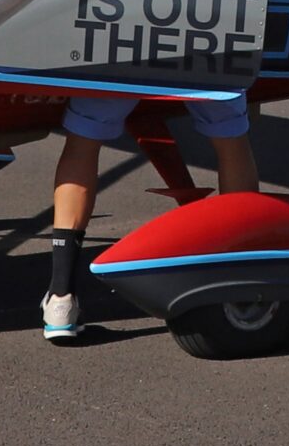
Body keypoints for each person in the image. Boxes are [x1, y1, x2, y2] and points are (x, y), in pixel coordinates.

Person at [42, 94, 256, 342]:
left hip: (123, 60)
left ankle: (61, 299)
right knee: (231, 138)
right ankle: (242, 282)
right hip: (203, 60)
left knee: (84, 139)